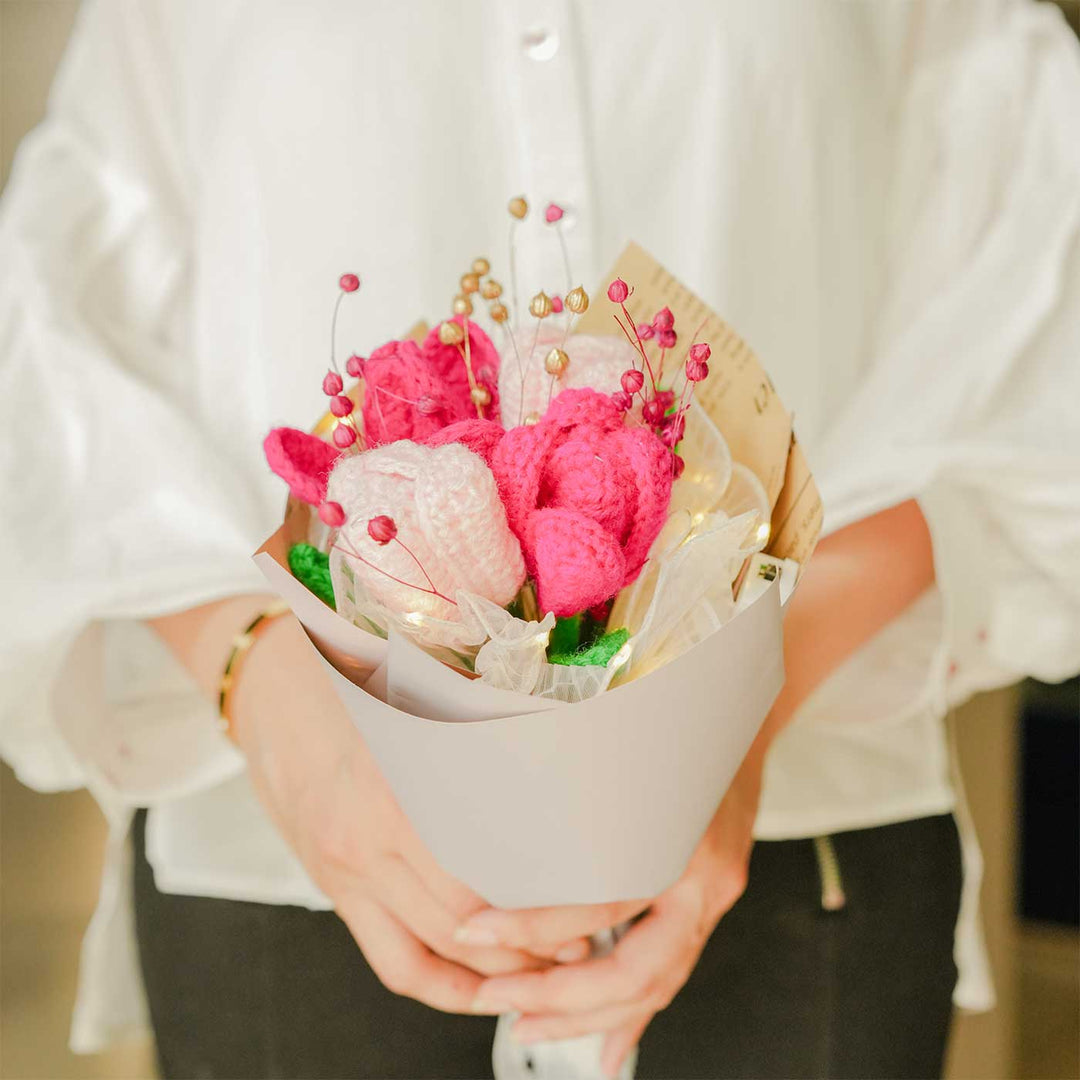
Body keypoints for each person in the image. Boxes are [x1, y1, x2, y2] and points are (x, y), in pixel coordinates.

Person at [1, 2, 1078, 1078]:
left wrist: (736, 706)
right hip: (297, 859)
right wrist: (269, 691)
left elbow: (1038, 269)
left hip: (795, 839)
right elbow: (63, 337)